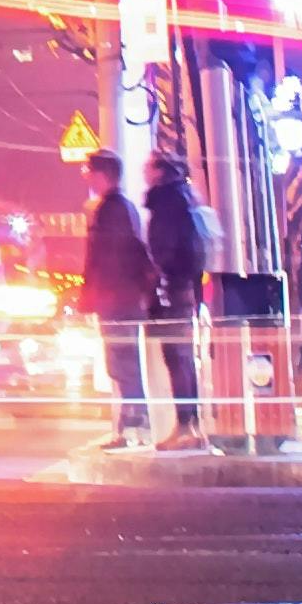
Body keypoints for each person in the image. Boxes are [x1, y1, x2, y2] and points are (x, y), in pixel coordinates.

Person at [74, 149, 161, 446]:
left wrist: (91, 296)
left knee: (123, 364)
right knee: (121, 364)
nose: (85, 177)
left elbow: (105, 259)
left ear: (102, 175)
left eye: (88, 172)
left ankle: (136, 425)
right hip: (120, 298)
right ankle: (130, 425)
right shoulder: (118, 208)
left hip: (117, 299)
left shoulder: (113, 210)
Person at [138, 145, 214, 448]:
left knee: (176, 358)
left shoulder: (166, 202)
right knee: (182, 358)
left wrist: (158, 278)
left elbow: (165, 250)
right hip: (184, 288)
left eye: (148, 166)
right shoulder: (184, 198)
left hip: (171, 288)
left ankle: (184, 427)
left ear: (159, 170)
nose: (144, 172)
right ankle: (190, 426)